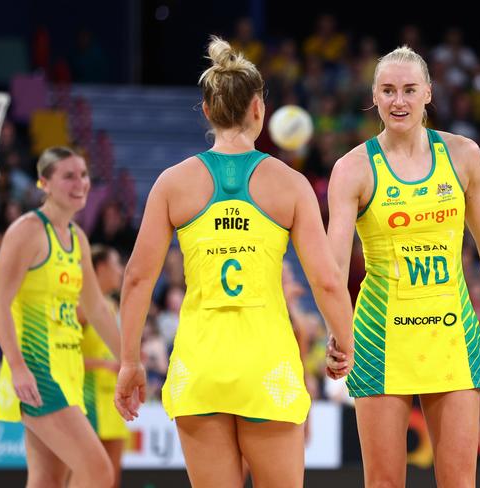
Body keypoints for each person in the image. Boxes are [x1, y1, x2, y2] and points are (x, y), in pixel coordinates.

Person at [114, 36, 354, 488]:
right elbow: (325, 281)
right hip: (268, 366)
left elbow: (136, 279)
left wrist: (129, 361)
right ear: (259, 110)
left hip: (199, 366)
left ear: (206, 110)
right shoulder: (290, 184)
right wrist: (345, 341)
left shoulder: (172, 183)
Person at [325, 45, 480, 488]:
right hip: (379, 339)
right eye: (389, 90)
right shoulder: (353, 168)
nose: (399, 101)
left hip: (453, 334)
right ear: (373, 97)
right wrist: (336, 331)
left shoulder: (463, 155)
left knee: (458, 482)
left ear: (428, 94)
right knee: (384, 484)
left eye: (410, 90)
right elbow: (333, 264)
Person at [0, 146, 121, 488]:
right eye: (68, 176)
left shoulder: (77, 238)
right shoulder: (26, 230)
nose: (80, 183)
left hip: (68, 369)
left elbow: (95, 309)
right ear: (44, 183)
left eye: (83, 174)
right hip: (37, 369)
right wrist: (17, 366)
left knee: (47, 480)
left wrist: (129, 361)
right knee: (98, 471)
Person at [79, 245, 128, 488]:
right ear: (100, 267)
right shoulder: (81, 306)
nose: (121, 271)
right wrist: (104, 364)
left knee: (111, 478)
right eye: (116, 264)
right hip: (88, 400)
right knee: (86, 477)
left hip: (112, 401)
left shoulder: (111, 305)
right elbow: (63, 355)